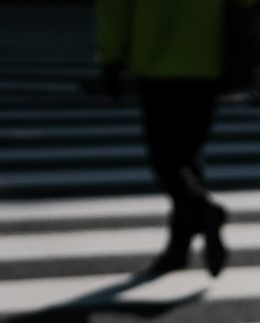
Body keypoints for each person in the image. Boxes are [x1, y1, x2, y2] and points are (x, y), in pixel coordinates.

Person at [96, 0, 249, 276]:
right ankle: (179, 247)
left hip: (157, 59)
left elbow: (113, 8)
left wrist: (111, 57)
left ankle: (202, 211)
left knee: (165, 159)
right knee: (188, 155)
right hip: (208, 58)